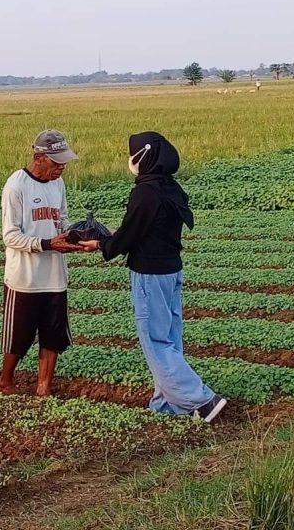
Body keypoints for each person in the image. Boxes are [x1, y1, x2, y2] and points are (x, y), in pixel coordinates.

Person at [79, 131, 227, 423]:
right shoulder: (169, 186)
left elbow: (131, 234)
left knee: (156, 342)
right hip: (171, 269)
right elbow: (144, 229)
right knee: (170, 338)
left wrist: (102, 244)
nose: (130, 160)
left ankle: (203, 400)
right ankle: (166, 404)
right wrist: (113, 239)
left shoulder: (145, 192)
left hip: (150, 273)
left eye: (132, 154)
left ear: (143, 156)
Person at [0, 129, 82, 396]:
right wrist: (46, 244)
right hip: (25, 278)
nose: (62, 167)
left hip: (55, 276)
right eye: (57, 162)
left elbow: (62, 219)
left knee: (52, 335)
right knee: (18, 337)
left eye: (64, 161)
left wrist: (76, 237)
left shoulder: (58, 184)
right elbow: (10, 236)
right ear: (39, 157)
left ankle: (44, 388)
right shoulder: (16, 185)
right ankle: (6, 380)